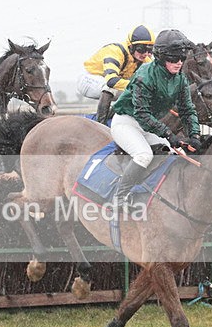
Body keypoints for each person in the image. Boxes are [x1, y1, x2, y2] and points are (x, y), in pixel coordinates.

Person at [109, 29, 203, 207]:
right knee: (144, 155)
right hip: (126, 122)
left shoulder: (180, 80)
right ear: (161, 57)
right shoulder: (145, 75)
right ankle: (119, 197)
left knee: (169, 152)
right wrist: (167, 133)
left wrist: (195, 135)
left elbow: (187, 110)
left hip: (147, 127)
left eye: (182, 58)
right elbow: (142, 113)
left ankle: (147, 191)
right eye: (174, 58)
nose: (179, 63)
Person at [77, 24, 155, 123]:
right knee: (110, 88)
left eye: (150, 50)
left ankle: (113, 119)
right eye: (141, 49)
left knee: (138, 94)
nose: (146, 54)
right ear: (131, 46)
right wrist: (138, 86)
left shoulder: (145, 60)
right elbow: (111, 81)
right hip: (88, 79)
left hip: (107, 82)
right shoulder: (115, 51)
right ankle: (101, 125)